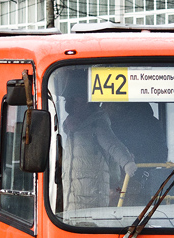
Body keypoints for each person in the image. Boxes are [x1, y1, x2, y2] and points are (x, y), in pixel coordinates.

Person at [57, 70, 137, 211]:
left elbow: (113, 144)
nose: (76, 104)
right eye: (74, 100)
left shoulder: (97, 124)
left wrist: (127, 162)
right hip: (71, 193)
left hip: (93, 194)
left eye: (80, 99)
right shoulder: (70, 130)